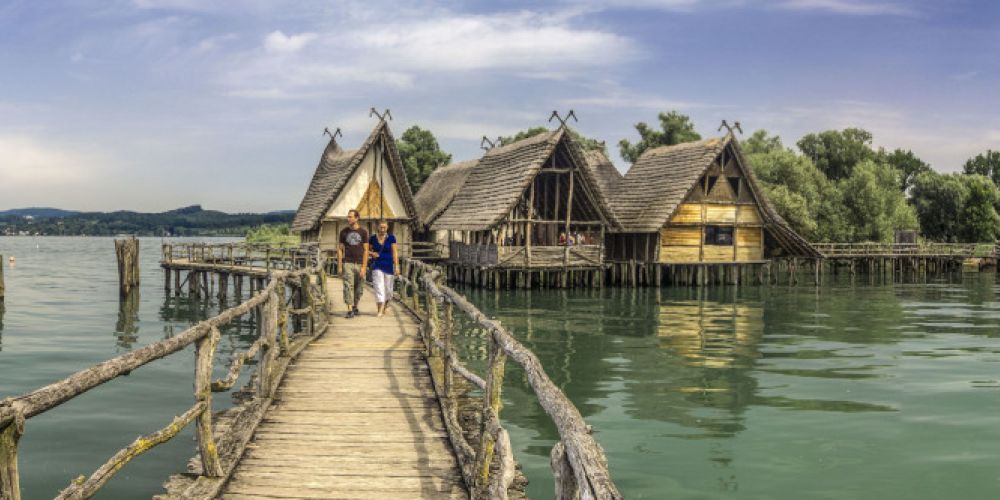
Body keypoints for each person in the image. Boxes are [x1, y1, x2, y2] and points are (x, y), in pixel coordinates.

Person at [338, 209, 368, 318]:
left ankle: (355, 306)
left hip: (360, 263)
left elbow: (366, 250)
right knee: (348, 286)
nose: (348, 218)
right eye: (348, 216)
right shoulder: (344, 232)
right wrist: (340, 265)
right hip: (348, 263)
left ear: (357, 218)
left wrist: (364, 267)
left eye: (351, 217)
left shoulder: (363, 232)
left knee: (359, 288)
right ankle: (350, 309)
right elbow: (340, 249)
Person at [368, 220, 399, 318]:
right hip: (377, 265)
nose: (382, 229)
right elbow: (366, 250)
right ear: (377, 227)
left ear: (387, 228)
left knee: (389, 290)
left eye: (384, 227)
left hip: (389, 266)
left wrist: (397, 266)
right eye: (381, 227)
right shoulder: (372, 238)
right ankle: (380, 310)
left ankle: (385, 306)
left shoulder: (391, 238)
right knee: (379, 287)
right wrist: (372, 253)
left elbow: (395, 252)